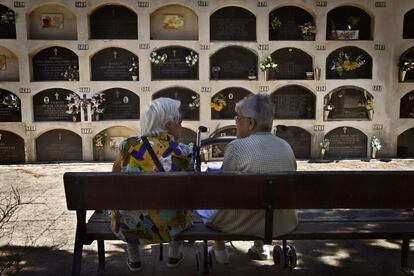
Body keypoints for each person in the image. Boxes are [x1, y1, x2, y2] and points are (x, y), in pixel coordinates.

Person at [205, 93, 298, 263]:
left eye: (238, 118)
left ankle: (219, 250)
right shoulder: (285, 146)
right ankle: (260, 247)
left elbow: (223, 188)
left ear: (251, 123)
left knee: (216, 201)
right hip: (281, 222)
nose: (236, 122)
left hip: (242, 223)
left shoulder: (236, 147)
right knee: (267, 196)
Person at [110, 97, 193, 272]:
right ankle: (174, 253)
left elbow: (115, 178)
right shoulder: (182, 151)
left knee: (126, 205)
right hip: (168, 226)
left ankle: (134, 258)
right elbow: (191, 190)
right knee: (183, 203)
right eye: (180, 121)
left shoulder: (127, 146)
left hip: (128, 226)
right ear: (169, 125)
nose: (181, 125)